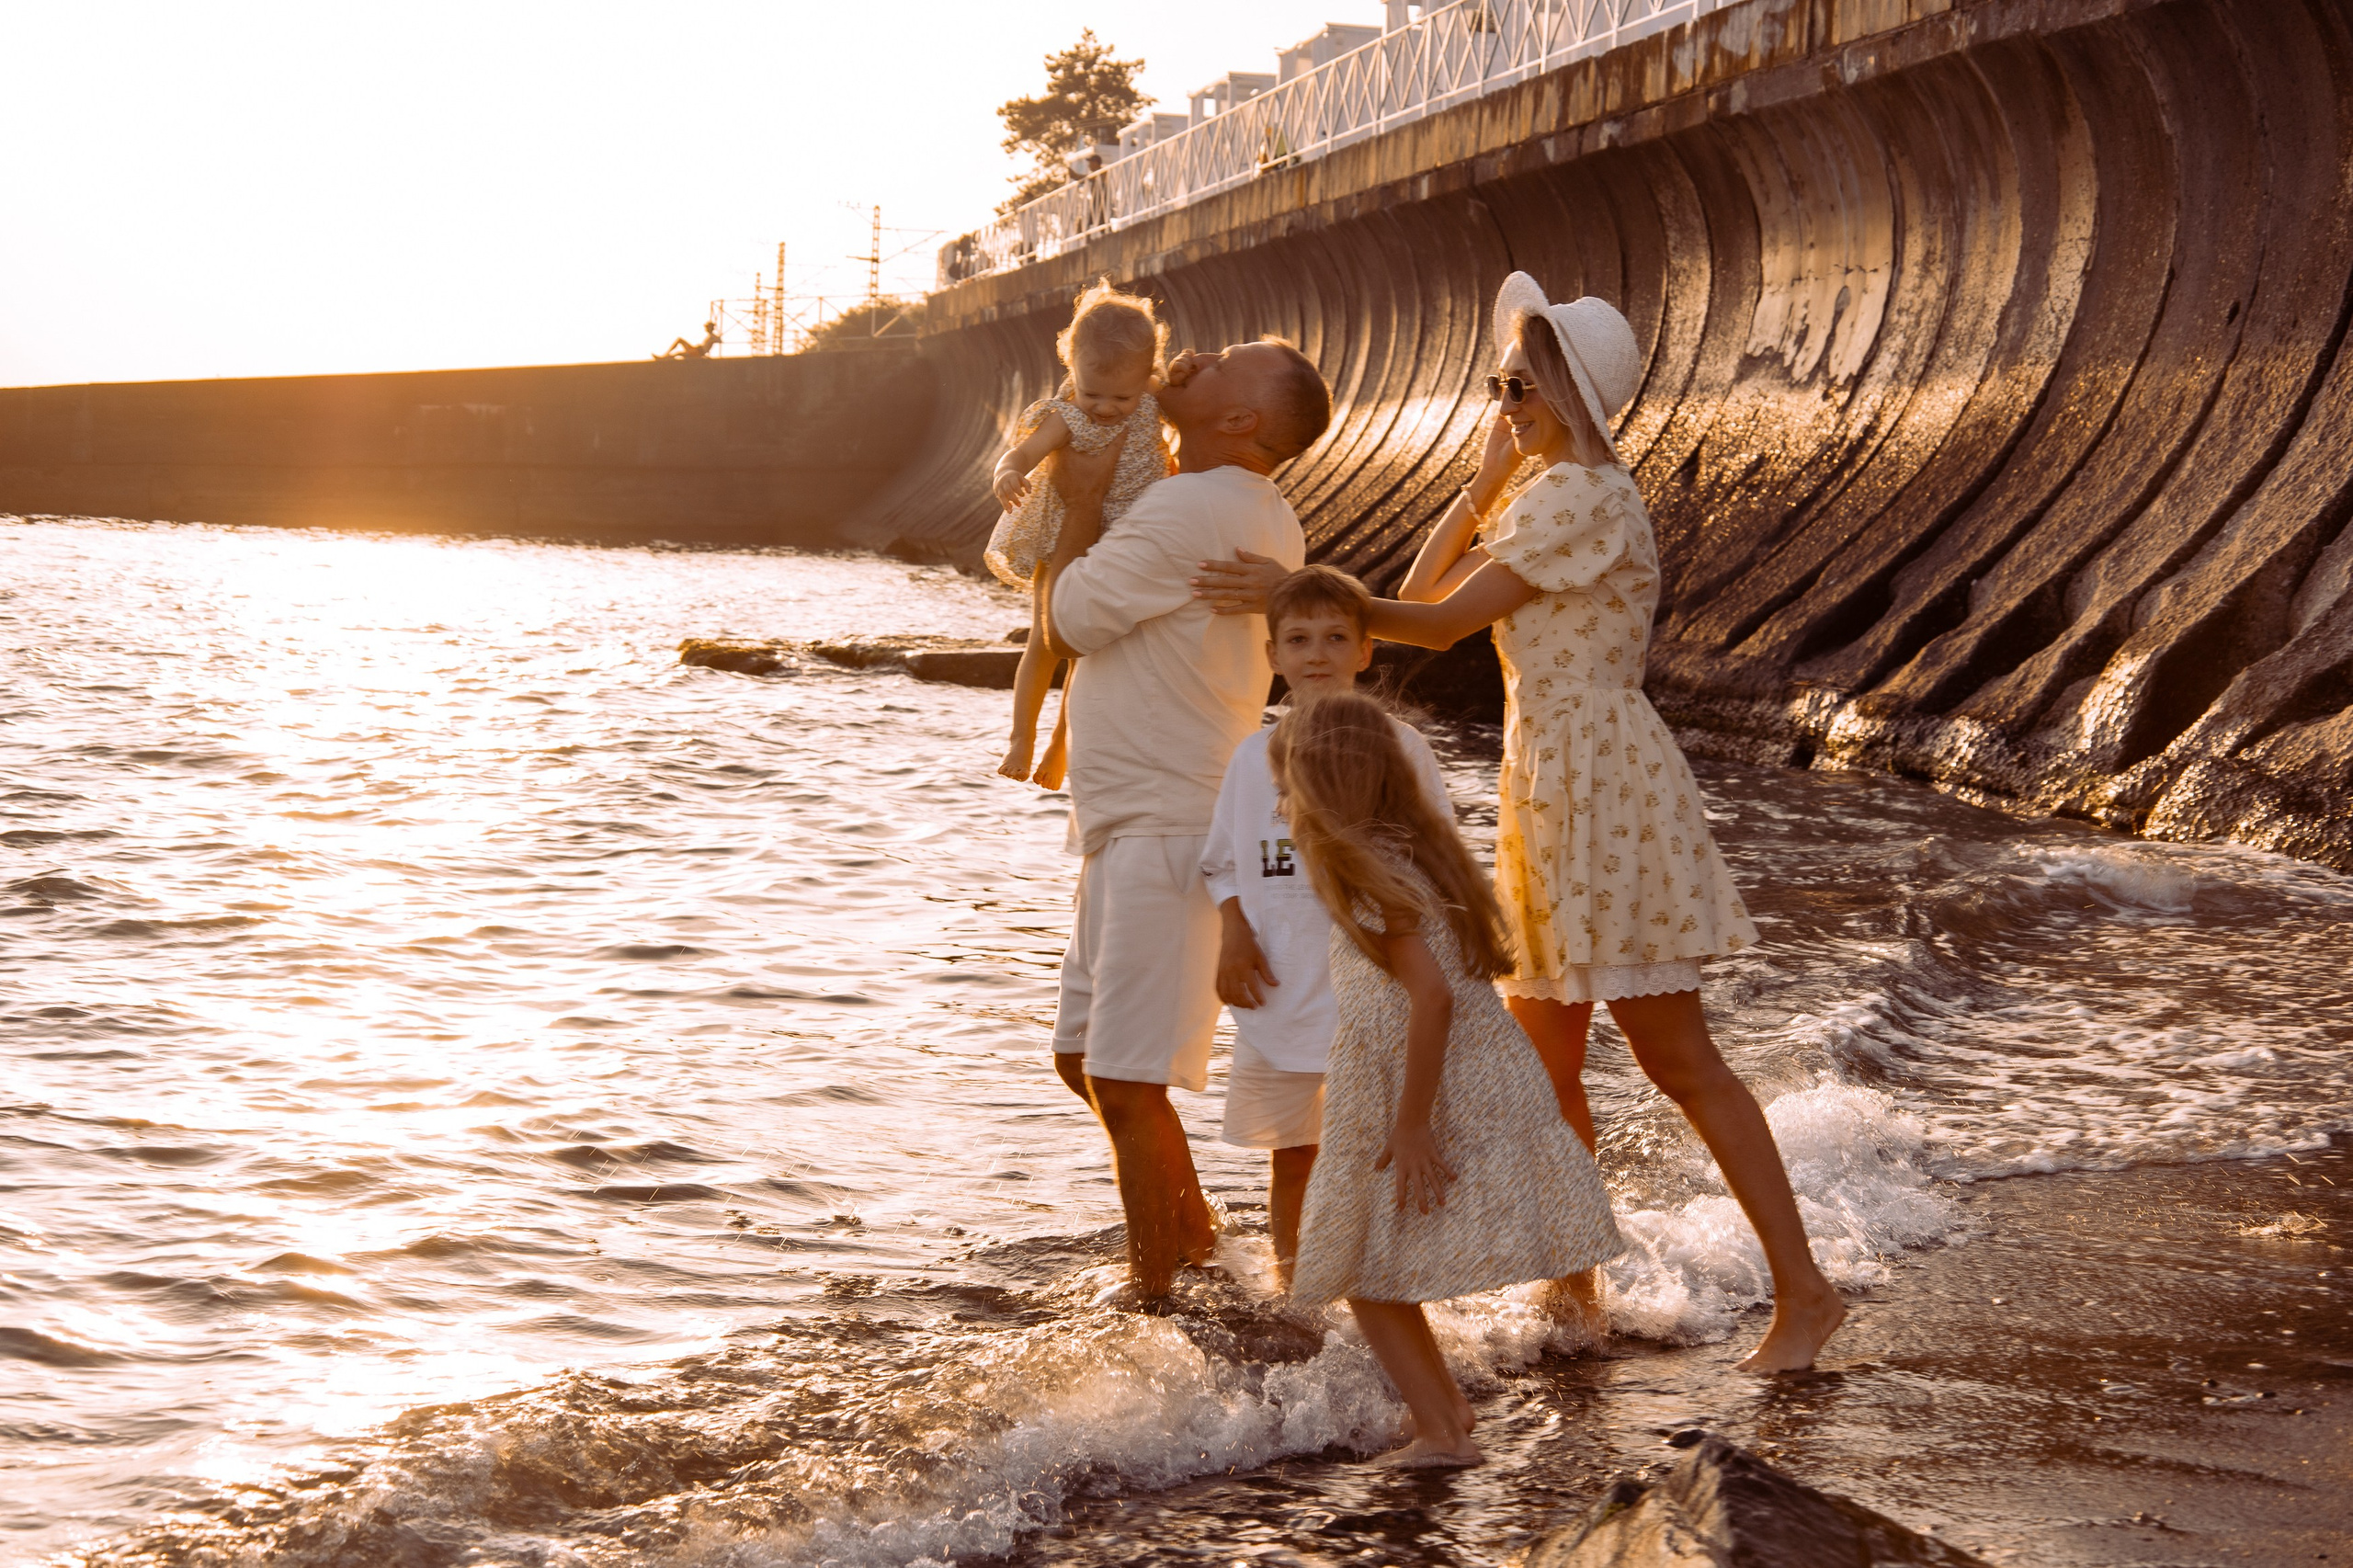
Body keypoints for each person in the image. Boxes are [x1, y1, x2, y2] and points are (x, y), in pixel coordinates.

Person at [1191, 273, 1847, 1372]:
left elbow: (1435, 624)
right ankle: (1572, 1302)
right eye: (1497, 384)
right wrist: (1476, 483)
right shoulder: (1540, 491)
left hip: (1603, 785)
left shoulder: (1584, 495)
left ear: (1570, 391)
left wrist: (1295, 588)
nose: (1504, 401)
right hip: (1553, 781)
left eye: (1521, 386)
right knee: (1540, 1069)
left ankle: (1806, 1291)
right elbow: (1419, 589)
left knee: (1679, 1058)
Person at [1039, 334, 1334, 1303]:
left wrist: (1081, 497)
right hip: (1131, 821)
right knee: (1083, 1059)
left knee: (1123, 1080)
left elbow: (1070, 616)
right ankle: (1196, 1245)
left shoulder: (1187, 505)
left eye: (1221, 363)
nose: (1194, 356)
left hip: (1166, 827)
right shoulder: (1237, 503)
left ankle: (1155, 1298)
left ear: (1241, 419)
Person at [1277, 691, 1624, 1469]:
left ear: (1324, 790)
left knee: (1364, 1266)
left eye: (1287, 783)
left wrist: (1411, 1124)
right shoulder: (1411, 848)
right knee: (1375, 1260)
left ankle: (1442, 1432)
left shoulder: (1361, 873)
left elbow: (1430, 997)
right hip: (1458, 1067)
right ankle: (1445, 1409)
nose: (1279, 800)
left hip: (1422, 1081)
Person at [1202, 565, 1449, 1290]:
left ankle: (1387, 1293)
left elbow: (1440, 861)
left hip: (1373, 996)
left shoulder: (1400, 748)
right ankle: (1297, 1293)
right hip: (1280, 986)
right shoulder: (1253, 759)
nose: (1317, 654)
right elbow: (1221, 863)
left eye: (1337, 638)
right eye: (1299, 639)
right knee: (1294, 1155)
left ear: (1366, 652)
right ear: (1273, 655)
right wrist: (1235, 933)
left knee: (1375, 1153)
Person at [987, 280, 1176, 789]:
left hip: (1125, 542)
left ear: (1149, 375)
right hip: (1064, 537)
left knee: (1093, 650)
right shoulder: (1068, 415)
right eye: (1093, 392)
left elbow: (1192, 394)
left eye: (1123, 396)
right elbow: (1022, 453)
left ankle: (1061, 744)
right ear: (1072, 370)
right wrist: (1008, 473)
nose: (1107, 407)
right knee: (1044, 641)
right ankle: (1021, 737)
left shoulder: (1153, 399)